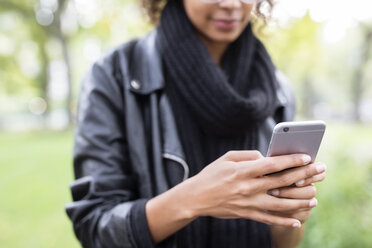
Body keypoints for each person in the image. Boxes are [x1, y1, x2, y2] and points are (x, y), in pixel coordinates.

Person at [65, 0, 327, 247]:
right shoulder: (114, 75)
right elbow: (96, 227)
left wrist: (292, 215)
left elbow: (283, 242)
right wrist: (193, 199)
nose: (231, 4)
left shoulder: (277, 89)